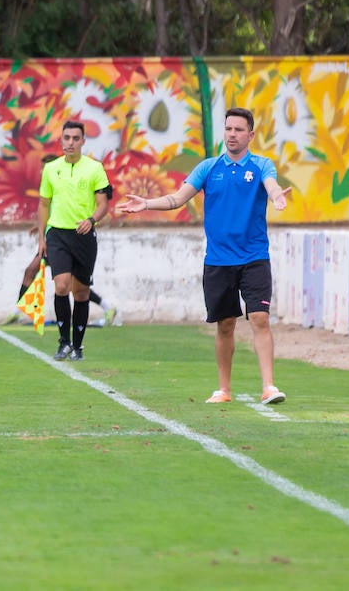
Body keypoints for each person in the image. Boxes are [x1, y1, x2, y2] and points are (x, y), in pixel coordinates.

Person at [118, 107, 293, 406]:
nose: (232, 134)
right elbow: (176, 198)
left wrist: (276, 196)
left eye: (239, 130)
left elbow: (272, 185)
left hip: (254, 257)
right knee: (225, 324)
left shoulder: (262, 165)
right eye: (228, 129)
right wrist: (146, 203)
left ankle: (269, 387)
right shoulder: (208, 168)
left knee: (260, 318)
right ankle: (223, 390)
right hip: (218, 260)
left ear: (250, 135)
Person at [37, 120, 113, 362]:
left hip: (83, 236)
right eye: (66, 138)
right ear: (61, 140)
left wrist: (91, 220)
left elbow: (103, 205)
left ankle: (78, 346)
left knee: (81, 293)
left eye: (75, 138)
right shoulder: (51, 169)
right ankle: (63, 342)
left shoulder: (94, 169)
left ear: (82, 141)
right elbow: (43, 204)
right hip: (57, 234)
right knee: (61, 287)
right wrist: (41, 237)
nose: (70, 142)